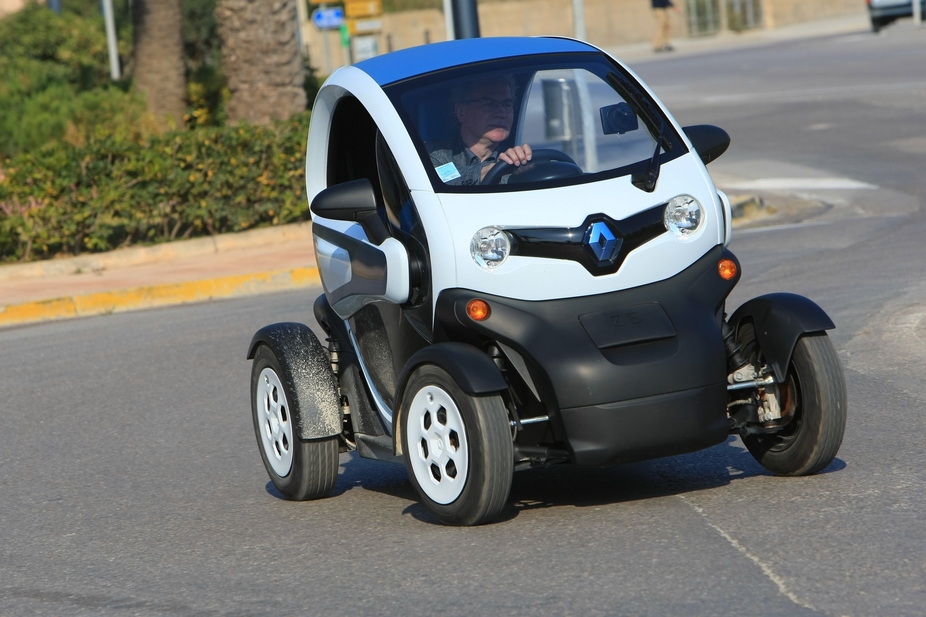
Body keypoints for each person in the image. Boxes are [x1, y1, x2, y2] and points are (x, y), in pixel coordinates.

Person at [427, 77, 533, 185]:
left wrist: (526, 165)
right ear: (461, 112)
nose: (501, 113)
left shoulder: (516, 162)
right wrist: (489, 171)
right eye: (489, 104)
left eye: (507, 104)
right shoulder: (432, 154)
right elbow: (437, 179)